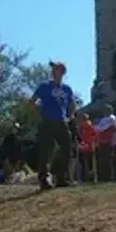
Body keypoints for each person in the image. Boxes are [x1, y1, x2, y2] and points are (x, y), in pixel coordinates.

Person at [29, 61, 78, 191]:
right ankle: (44, 179)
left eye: (61, 70)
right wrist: (39, 110)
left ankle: (61, 177)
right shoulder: (44, 86)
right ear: (53, 72)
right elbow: (32, 101)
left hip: (61, 121)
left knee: (67, 148)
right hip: (47, 121)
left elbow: (72, 104)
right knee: (45, 150)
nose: (58, 72)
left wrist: (70, 116)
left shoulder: (66, 89)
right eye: (56, 69)